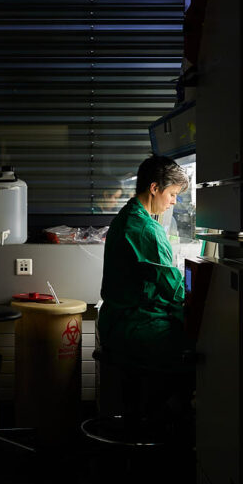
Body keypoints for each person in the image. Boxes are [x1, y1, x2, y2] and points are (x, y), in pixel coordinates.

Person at [97, 154, 191, 373]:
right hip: (135, 325)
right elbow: (174, 289)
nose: (174, 201)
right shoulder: (144, 229)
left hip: (116, 319)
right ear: (154, 188)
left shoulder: (128, 215)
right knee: (202, 345)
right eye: (172, 194)